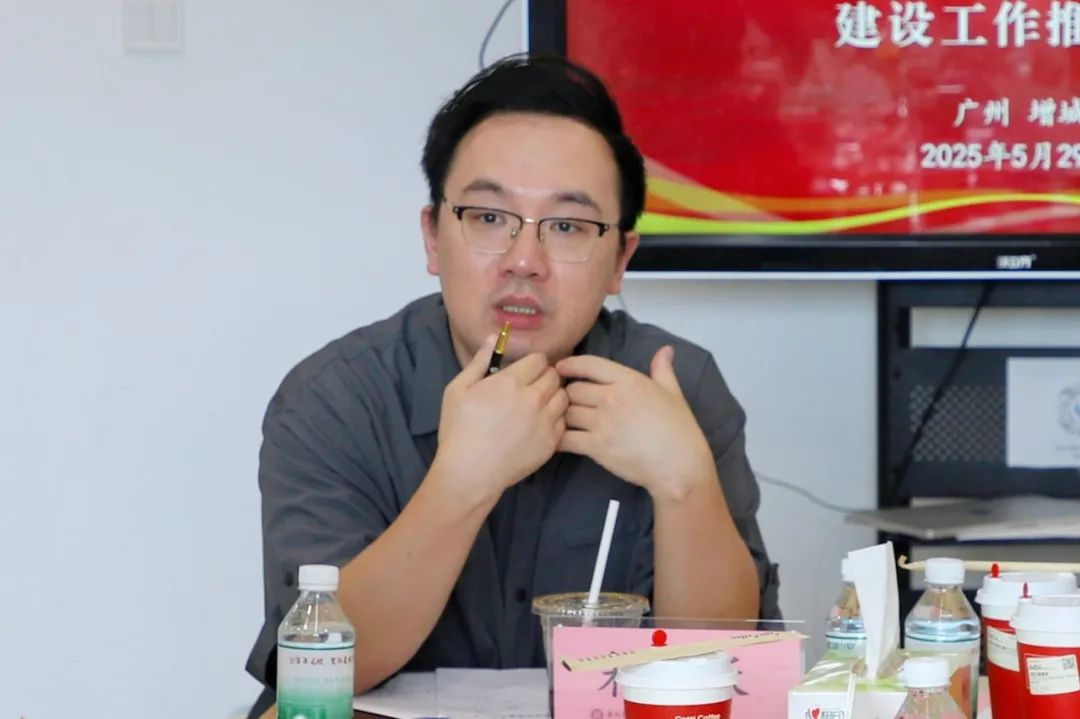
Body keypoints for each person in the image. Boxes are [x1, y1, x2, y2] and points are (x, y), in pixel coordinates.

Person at [245, 53, 780, 717]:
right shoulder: (336, 398)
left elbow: (723, 672)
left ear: (620, 259)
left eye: (568, 226)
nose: (524, 261)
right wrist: (462, 481)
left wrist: (685, 484)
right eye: (489, 217)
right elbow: (324, 672)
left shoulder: (676, 387)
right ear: (433, 237)